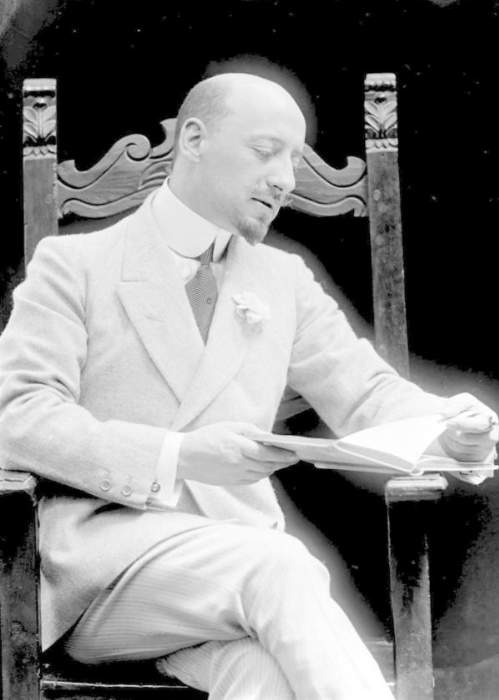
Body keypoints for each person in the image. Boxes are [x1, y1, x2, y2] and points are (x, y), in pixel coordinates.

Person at [0, 72, 496, 700]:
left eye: (294, 161)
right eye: (266, 153)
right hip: (104, 576)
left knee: (266, 678)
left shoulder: (282, 280)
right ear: (195, 140)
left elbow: (368, 395)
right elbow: (18, 417)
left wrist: (453, 430)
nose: (285, 179)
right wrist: (179, 457)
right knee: (281, 566)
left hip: (237, 580)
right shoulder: (75, 266)